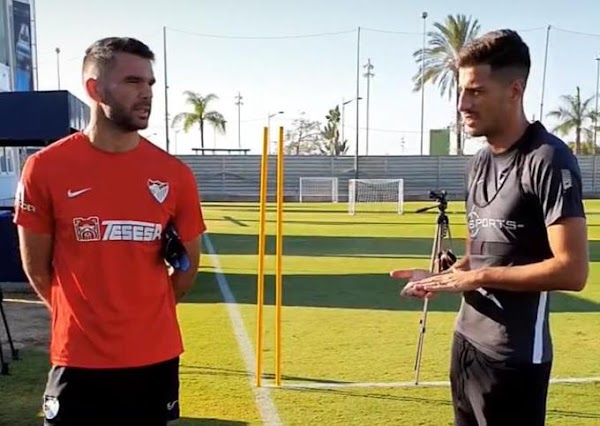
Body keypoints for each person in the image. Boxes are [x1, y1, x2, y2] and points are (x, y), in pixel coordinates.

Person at [391, 29, 588, 426]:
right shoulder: (477, 164)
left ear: (514, 90)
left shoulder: (548, 159)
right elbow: (480, 257)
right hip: (466, 343)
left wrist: (479, 276)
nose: (462, 104)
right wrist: (445, 277)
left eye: (475, 92)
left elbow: (572, 270)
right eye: (461, 92)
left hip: (513, 359)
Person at [13, 37, 206, 425]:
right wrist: (80, 317)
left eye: (150, 83)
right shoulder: (45, 168)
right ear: (94, 89)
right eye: (133, 81)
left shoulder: (175, 175)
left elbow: (187, 269)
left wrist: (142, 319)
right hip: (78, 358)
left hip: (154, 357)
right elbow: (37, 268)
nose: (146, 93)